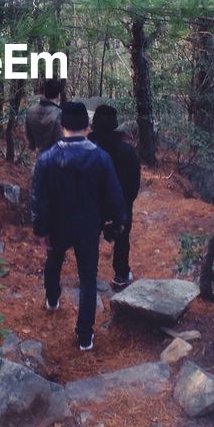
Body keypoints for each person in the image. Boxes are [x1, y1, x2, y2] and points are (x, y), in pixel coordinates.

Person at [31, 101, 124, 351]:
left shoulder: (47, 159)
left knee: (53, 262)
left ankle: (52, 300)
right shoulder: (100, 158)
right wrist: (117, 221)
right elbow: (114, 195)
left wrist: (40, 230)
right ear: (86, 127)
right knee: (88, 278)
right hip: (87, 227)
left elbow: (39, 199)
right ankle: (85, 336)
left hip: (57, 226)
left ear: (62, 127)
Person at [89, 104, 141, 291]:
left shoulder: (87, 148)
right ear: (115, 124)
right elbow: (134, 183)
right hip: (121, 202)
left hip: (93, 203)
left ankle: (89, 273)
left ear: (94, 124)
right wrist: (127, 203)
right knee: (122, 238)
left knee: (91, 238)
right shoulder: (127, 151)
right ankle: (121, 274)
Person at [24, 79, 64, 151]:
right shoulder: (58, 113)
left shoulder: (31, 111)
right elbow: (60, 140)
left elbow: (29, 137)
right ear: (58, 95)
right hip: (54, 157)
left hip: (38, 156)